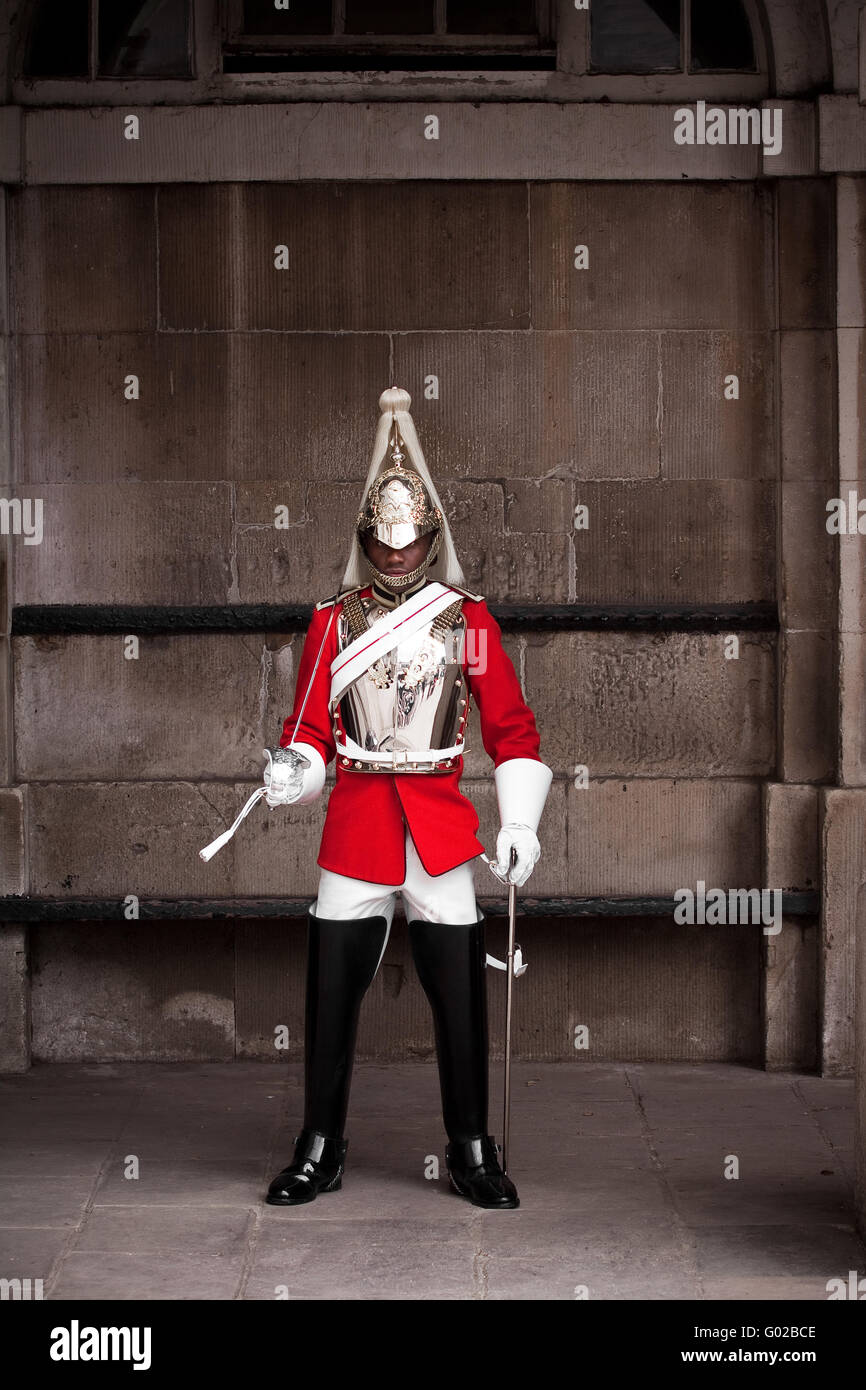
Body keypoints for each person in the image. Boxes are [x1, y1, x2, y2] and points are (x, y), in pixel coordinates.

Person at [263, 386, 553, 1210]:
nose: (395, 555)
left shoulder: (467, 621)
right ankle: (318, 1147)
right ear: (366, 537)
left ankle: (470, 1148)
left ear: (430, 537)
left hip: (438, 830)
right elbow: (311, 729)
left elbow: (513, 732)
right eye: (383, 543)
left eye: (410, 541)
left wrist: (520, 822)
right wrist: (296, 770)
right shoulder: (331, 623)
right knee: (330, 999)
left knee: (460, 999)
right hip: (356, 826)